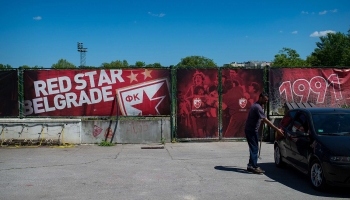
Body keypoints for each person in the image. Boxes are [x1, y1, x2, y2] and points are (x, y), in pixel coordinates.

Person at [244, 92, 284, 174]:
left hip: (251, 129)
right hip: (251, 130)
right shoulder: (257, 107)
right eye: (265, 100)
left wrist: (260, 120)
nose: (266, 102)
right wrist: (277, 129)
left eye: (267, 101)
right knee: (254, 148)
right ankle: (253, 166)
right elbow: (266, 120)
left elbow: (261, 118)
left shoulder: (257, 105)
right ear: (260, 98)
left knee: (253, 148)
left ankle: (250, 165)